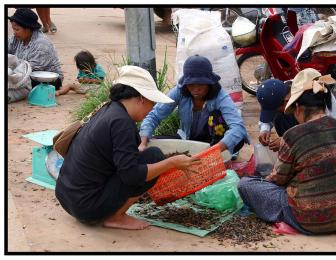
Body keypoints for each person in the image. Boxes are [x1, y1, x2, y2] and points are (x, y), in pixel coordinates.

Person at [55, 66, 200, 230]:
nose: (151, 109)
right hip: (87, 207)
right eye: (152, 103)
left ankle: (111, 212)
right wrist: (171, 163)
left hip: (67, 198)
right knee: (154, 156)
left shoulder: (109, 108)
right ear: (141, 99)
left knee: (145, 156)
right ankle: (116, 217)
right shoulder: (122, 123)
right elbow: (132, 175)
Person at [238, 68, 336, 235]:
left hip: (310, 221)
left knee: (246, 184)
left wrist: (262, 180)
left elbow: (278, 180)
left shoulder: (293, 135)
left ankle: (288, 216)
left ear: (297, 107)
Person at [139, 55, 249, 157]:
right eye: (191, 84)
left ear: (209, 83)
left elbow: (238, 127)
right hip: (187, 139)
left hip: (213, 143)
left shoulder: (220, 96)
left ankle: (220, 153)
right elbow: (155, 115)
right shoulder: (179, 91)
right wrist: (143, 143)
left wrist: (213, 151)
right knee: (152, 143)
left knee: (237, 140)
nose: (195, 89)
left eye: (200, 84)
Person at [257, 73, 336, 152]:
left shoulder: (314, 92)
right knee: (280, 117)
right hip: (305, 134)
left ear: (287, 100)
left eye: (276, 109)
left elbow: (332, 127)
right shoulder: (282, 91)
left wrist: (289, 141)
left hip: (324, 133)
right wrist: (264, 129)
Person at [8, 8, 63, 90]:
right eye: (13, 29)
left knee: (14, 83)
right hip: (23, 72)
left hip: (47, 79)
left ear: (28, 28)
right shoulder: (16, 38)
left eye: (17, 29)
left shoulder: (42, 44)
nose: (14, 32)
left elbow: (28, 71)